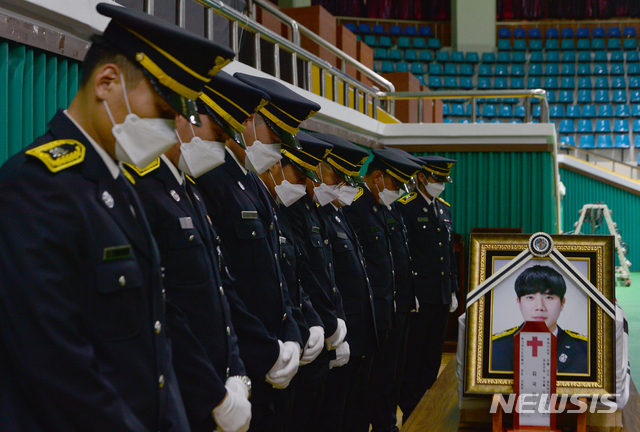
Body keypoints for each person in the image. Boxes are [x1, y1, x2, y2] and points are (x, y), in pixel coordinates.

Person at [0, 3, 234, 431]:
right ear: (107, 82)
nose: (171, 130)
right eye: (164, 112)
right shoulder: (34, 187)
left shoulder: (118, 185)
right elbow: (56, 366)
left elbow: (157, 334)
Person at [122, 70, 265, 432]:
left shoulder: (190, 190)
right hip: (185, 394)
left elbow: (219, 288)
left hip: (218, 387)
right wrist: (212, 395)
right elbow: (167, 308)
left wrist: (236, 373)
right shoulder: (144, 189)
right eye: (186, 117)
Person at [196, 71, 321, 432]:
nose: (279, 149)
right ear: (247, 123)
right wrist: (263, 352)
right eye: (275, 136)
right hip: (242, 365)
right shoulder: (210, 178)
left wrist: (294, 334)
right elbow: (223, 285)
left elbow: (280, 277)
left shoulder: (251, 182)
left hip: (273, 360)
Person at [259, 131, 340, 432]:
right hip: (272, 346)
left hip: (301, 335)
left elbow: (304, 275)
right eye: (300, 173)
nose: (306, 183)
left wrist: (322, 321)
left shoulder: (302, 210)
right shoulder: (279, 209)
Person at [342, 147, 421, 432]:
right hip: (368, 315)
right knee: (364, 385)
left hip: (391, 310)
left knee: (388, 379)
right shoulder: (356, 205)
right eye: (396, 184)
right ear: (377, 177)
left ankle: (386, 425)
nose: (399, 191)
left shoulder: (387, 207)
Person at [311, 133, 378, 432]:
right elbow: (325, 278)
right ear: (323, 172)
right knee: (333, 414)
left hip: (356, 331)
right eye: (341, 178)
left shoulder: (340, 214)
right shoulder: (318, 215)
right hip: (338, 332)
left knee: (353, 409)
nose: (348, 187)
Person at [397, 155, 459, 420]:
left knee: (433, 357)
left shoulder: (443, 208)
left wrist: (453, 288)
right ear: (421, 177)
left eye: (444, 180)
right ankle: (411, 409)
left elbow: (448, 252)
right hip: (419, 296)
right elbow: (404, 254)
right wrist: (409, 291)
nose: (441, 184)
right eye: (437, 178)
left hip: (442, 294)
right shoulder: (405, 207)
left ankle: (425, 404)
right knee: (414, 356)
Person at [491, 265, 588, 374]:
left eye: (548, 297)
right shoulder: (494, 348)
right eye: (530, 297)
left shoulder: (586, 350)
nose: (540, 307)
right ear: (519, 302)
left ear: (562, 303)